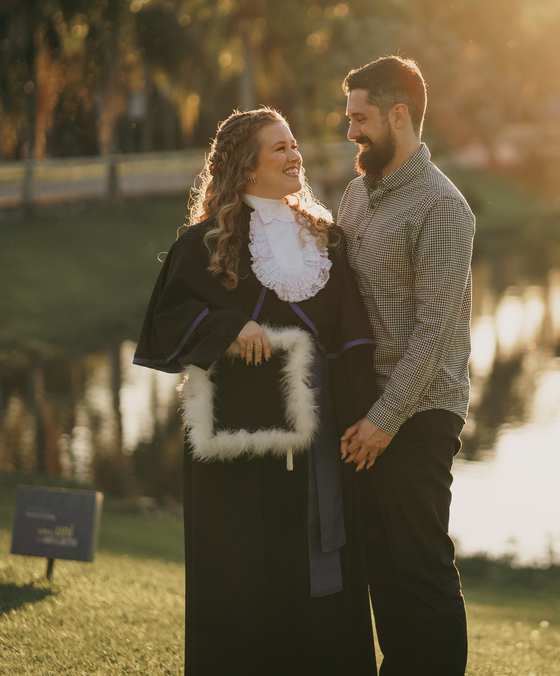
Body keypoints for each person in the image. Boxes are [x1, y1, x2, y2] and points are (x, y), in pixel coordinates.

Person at [133, 108, 378, 676]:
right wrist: (227, 328)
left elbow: (352, 341)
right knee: (244, 577)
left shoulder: (328, 240)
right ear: (246, 168)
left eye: (294, 145)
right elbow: (168, 321)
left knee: (319, 577)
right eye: (279, 149)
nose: (295, 156)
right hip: (239, 450)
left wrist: (364, 420)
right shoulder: (204, 245)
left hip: (320, 441)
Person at [337, 56, 475, 675]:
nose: (351, 132)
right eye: (348, 119)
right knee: (381, 569)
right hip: (366, 412)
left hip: (419, 412)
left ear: (399, 115)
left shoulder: (444, 205)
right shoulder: (354, 194)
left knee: (420, 566)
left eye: (360, 118)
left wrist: (386, 420)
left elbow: (436, 328)